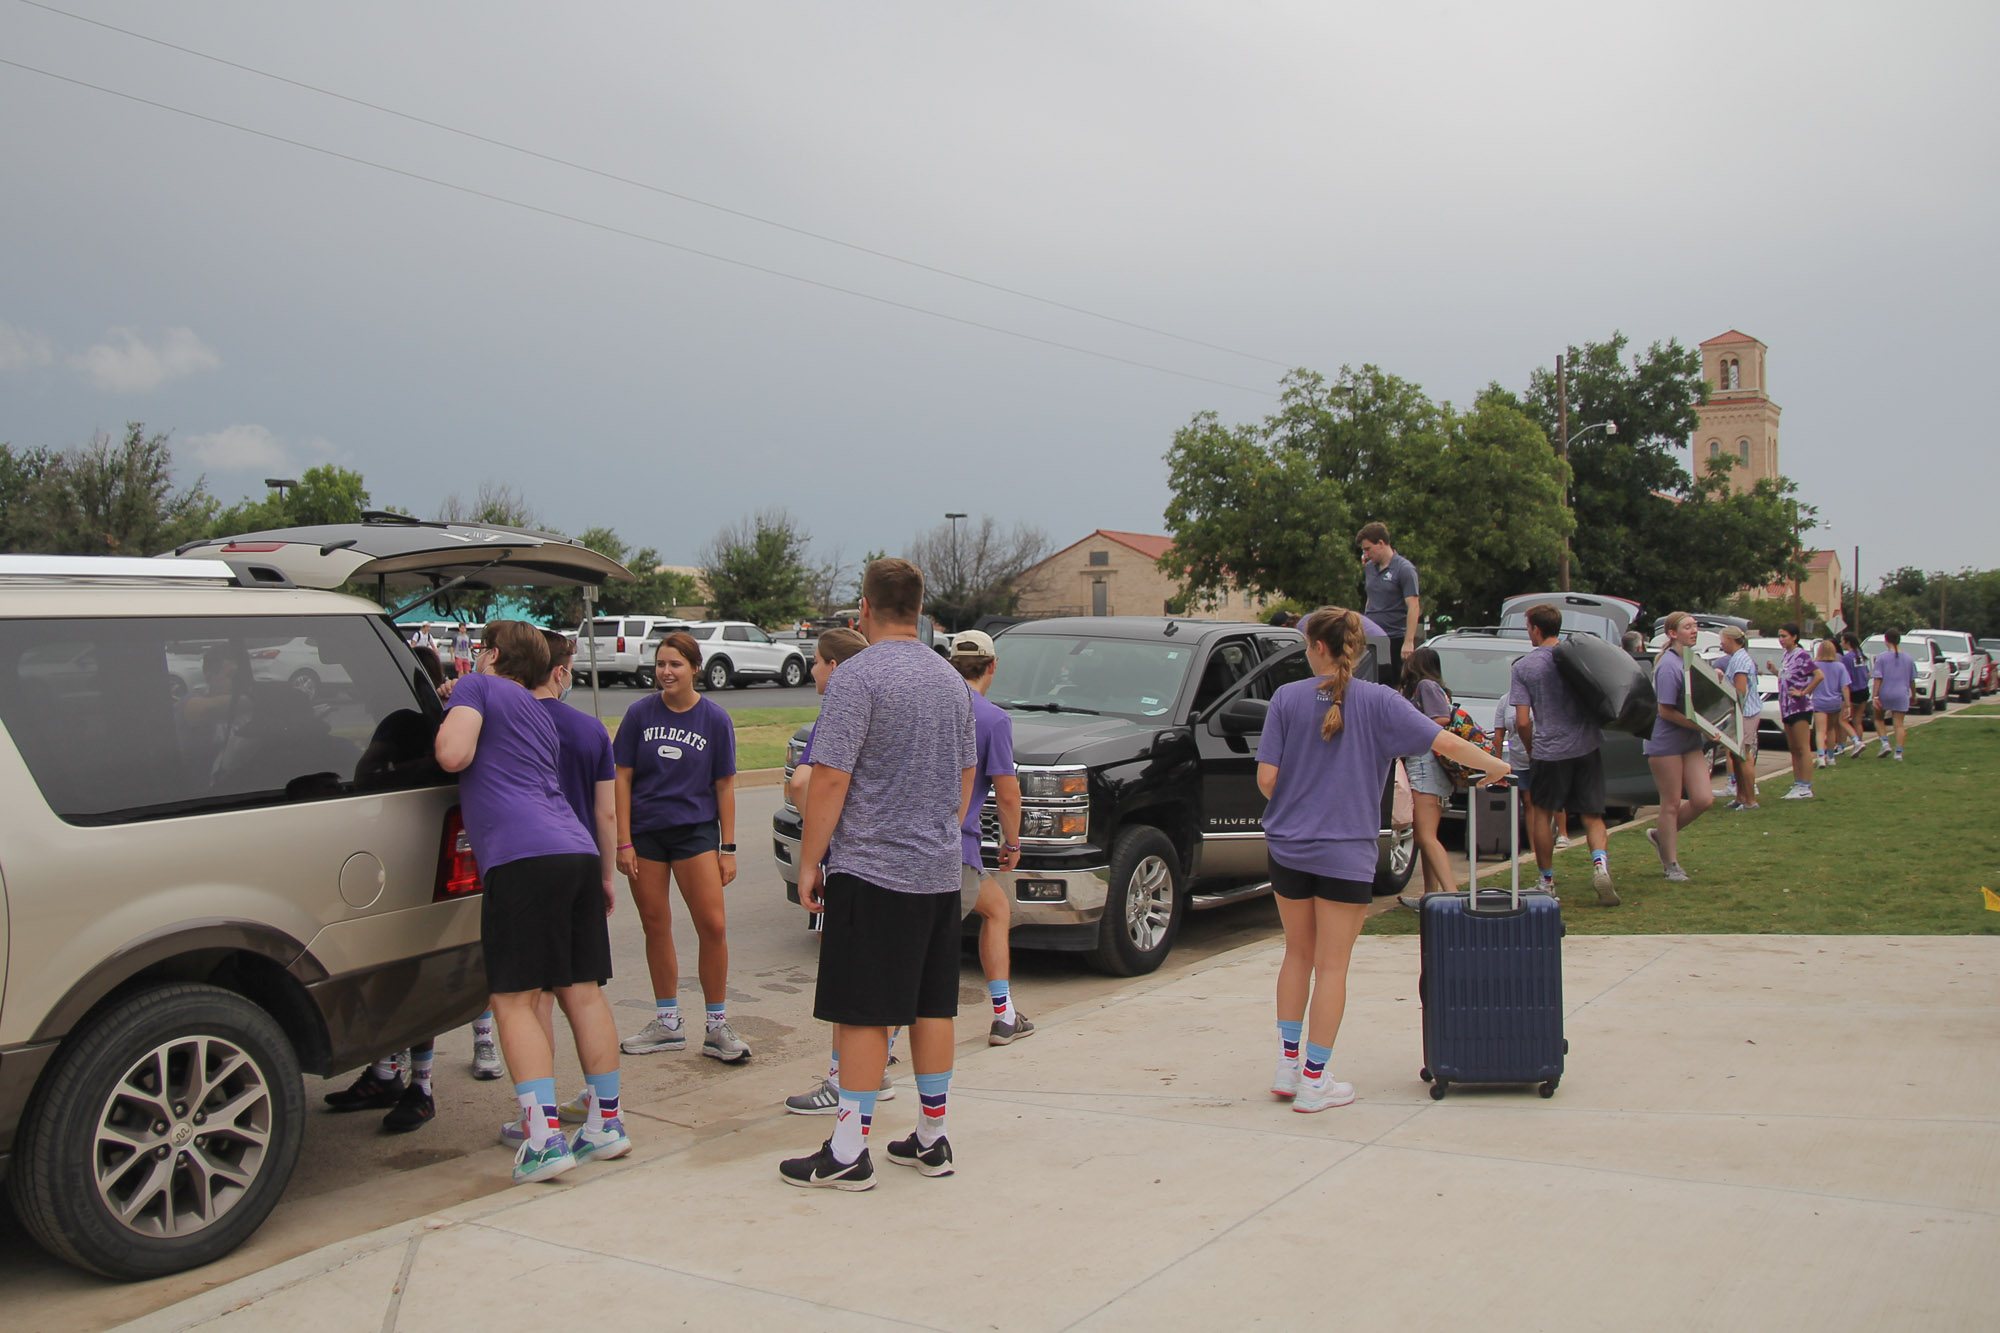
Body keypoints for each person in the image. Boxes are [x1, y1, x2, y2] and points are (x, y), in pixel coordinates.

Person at [1258, 607, 1509, 1113]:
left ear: (1318, 648)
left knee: (1296, 956)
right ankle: (1315, 1080)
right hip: (1345, 852)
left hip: (1288, 847)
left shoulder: (1285, 699)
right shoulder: (1382, 702)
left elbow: (1267, 780)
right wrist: (1496, 764)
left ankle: (1287, 1067)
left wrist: (1300, 804)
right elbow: (1445, 741)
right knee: (1332, 967)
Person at [780, 558, 976, 1189]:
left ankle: (847, 1151)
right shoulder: (951, 681)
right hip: (938, 870)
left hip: (871, 868)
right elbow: (965, 779)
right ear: (920, 608)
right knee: (930, 1006)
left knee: (861, 1010)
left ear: (864, 607)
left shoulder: (857, 676)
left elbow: (830, 777)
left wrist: (812, 860)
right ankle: (932, 1136)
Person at [434, 621, 626, 1185]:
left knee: (514, 1000)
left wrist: (458, 697)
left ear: (490, 654)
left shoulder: (479, 688)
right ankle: (605, 1125)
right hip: (576, 852)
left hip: (521, 859)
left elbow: (452, 753)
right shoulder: (538, 712)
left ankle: (543, 1140)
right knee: (582, 992)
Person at [781, 628, 906, 1116]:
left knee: (847, 984)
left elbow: (806, 784)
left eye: (815, 662)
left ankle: (842, 1081)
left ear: (834, 666)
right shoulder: (898, 706)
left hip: (852, 863)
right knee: (893, 977)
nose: (812, 671)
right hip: (907, 863)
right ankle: (875, 1070)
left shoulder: (837, 713)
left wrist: (820, 843)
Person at [614, 633, 746, 1063]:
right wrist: (624, 841)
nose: (666, 672)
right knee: (656, 924)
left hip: (695, 834)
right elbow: (622, 778)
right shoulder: (639, 715)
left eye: (675, 664)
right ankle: (667, 1022)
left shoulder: (714, 719)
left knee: (712, 925)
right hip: (647, 834)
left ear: (695, 668)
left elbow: (724, 784)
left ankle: (717, 1025)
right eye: (661, 664)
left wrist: (727, 846)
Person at [949, 630, 1033, 1045]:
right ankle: (881, 1055)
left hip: (915, 845)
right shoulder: (993, 719)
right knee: (926, 954)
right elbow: (1007, 792)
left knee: (997, 908)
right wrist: (1012, 843)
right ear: (992, 666)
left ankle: (1006, 1014)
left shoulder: (931, 706)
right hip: (955, 850)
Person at [1507, 603, 1619, 905]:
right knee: (1593, 814)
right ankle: (1600, 865)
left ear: (1535, 629)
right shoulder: (1579, 658)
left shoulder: (1525, 667)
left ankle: (1546, 880)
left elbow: (1521, 720)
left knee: (1542, 814)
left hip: (1549, 750)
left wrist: (1531, 749)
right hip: (1587, 745)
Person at [1644, 612, 1715, 881]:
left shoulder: (1691, 661)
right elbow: (1665, 711)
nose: (1694, 631)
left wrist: (1715, 676)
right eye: (1688, 627)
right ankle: (1670, 864)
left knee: (1703, 799)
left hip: (1689, 741)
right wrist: (1704, 728)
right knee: (1671, 804)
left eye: (1695, 627)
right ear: (1672, 633)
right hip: (1666, 743)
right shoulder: (1668, 666)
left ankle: (1661, 836)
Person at [1394, 647, 1457, 903]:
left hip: (1424, 763)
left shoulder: (1425, 686)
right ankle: (1431, 897)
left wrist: (1412, 724)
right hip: (1428, 764)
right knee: (1426, 835)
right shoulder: (1431, 686)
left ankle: (1452, 896)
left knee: (1425, 836)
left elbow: (1441, 717)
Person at [1356, 522, 1420, 685]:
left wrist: (1408, 641)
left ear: (1381, 543)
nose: (1366, 554)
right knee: (1368, 682)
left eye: (1368, 549)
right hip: (1371, 637)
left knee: (1391, 684)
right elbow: (1371, 597)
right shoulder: (1369, 568)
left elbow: (1413, 605)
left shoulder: (1404, 569)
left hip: (1393, 637)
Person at [1767, 623, 1819, 798]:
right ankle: (1798, 784)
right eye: (1779, 636)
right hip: (1786, 707)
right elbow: (1787, 678)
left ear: (1794, 637)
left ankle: (1806, 786)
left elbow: (1818, 675)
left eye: (1784, 636)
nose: (1781, 640)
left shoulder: (1802, 655)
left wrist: (1804, 692)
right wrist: (1774, 671)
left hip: (1800, 707)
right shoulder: (1786, 656)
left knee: (1803, 747)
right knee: (1794, 748)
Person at [1717, 627, 1762, 811]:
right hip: (1741, 713)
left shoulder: (1741, 660)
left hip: (1746, 713)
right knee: (1736, 755)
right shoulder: (1737, 658)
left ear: (1731, 639)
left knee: (1744, 755)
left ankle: (1751, 800)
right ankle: (1741, 796)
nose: (1721, 643)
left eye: (1722, 639)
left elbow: (1740, 691)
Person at [1869, 629, 1916, 761]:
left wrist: (1875, 696)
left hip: (1885, 692)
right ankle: (1898, 753)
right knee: (1899, 724)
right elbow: (1912, 680)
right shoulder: (1908, 658)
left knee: (1878, 719)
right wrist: (1914, 694)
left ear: (1886, 640)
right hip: (1902, 693)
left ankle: (1885, 743)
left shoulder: (1882, 657)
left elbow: (1878, 678)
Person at [1809, 638, 1848, 770]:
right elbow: (1845, 687)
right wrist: (1847, 704)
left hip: (1819, 701)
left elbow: (1810, 683)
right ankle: (1831, 756)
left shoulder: (1814, 666)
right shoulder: (1840, 667)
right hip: (1835, 701)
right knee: (1831, 729)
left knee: (1820, 730)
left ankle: (1821, 756)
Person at [1840, 632, 1872, 758]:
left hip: (1853, 691)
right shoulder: (1861, 656)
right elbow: (1868, 674)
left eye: (1842, 641)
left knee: (1843, 720)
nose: (1841, 643)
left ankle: (1853, 742)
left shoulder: (1846, 658)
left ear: (1847, 642)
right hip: (1864, 690)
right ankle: (1858, 745)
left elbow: (1844, 677)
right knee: (1858, 720)